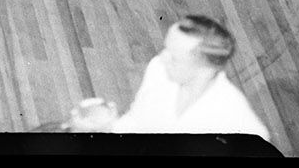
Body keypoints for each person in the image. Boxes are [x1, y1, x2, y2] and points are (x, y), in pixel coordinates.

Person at [70, 15, 271, 141]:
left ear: (205, 70)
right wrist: (109, 127)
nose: (162, 58)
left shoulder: (238, 120)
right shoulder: (159, 70)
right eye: (166, 48)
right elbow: (138, 121)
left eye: (174, 57)